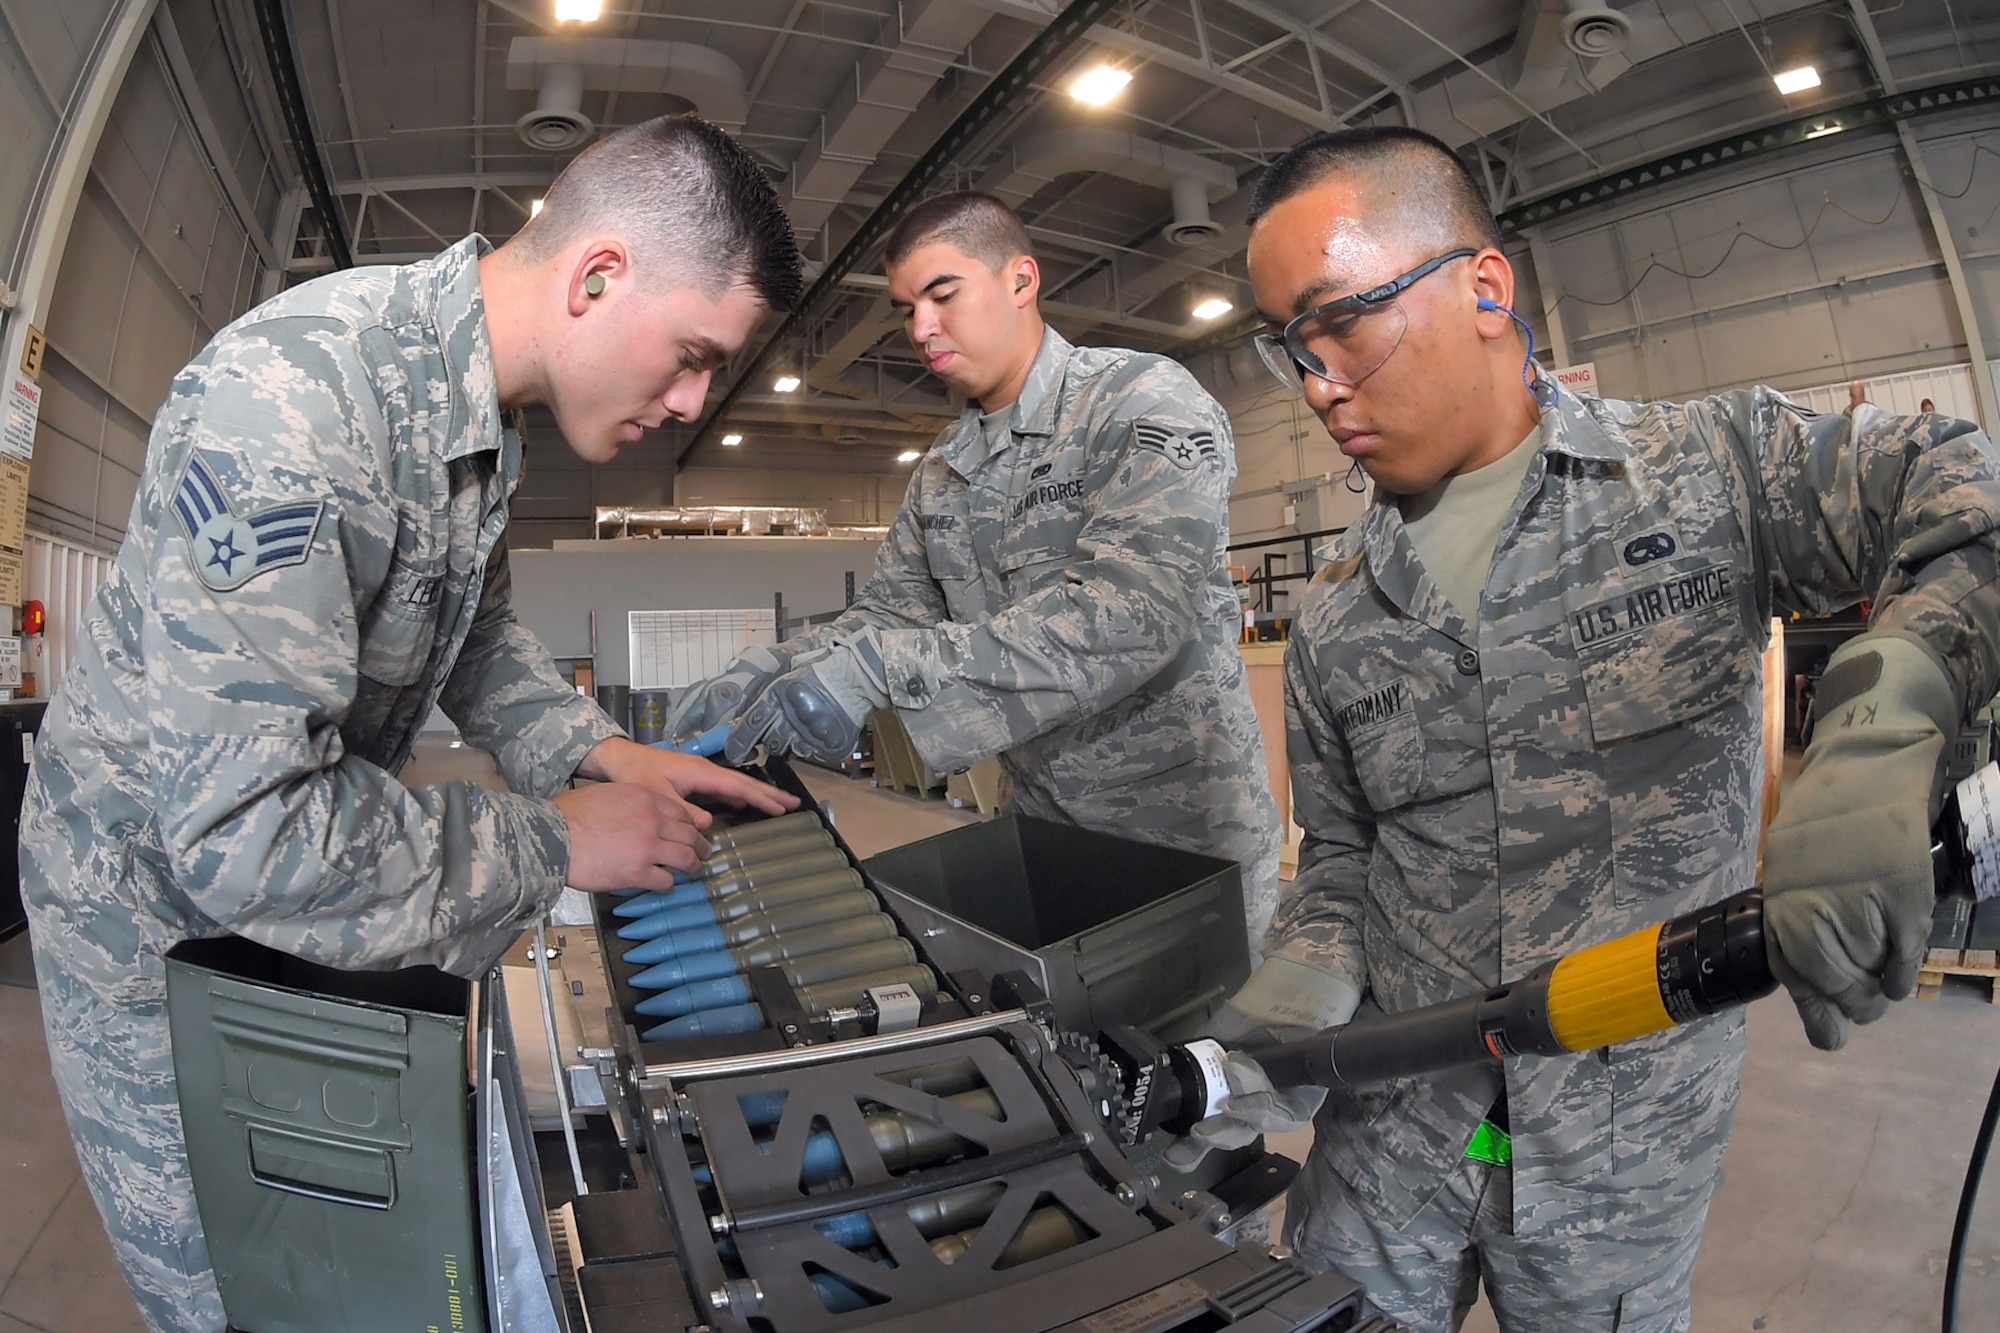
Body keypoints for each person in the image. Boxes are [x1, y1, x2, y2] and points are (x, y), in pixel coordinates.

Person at [20, 114, 804, 1333]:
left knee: (354, 1257)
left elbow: (476, 642)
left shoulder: (475, 427)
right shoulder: (297, 409)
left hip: (292, 883)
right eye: (693, 355)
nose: (694, 402)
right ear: (599, 277)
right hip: (144, 918)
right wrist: (552, 839)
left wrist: (601, 750)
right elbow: (247, 838)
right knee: (250, 1284)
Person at [1214, 126, 2000, 1331]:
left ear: (1482, 285)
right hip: (1388, 1133)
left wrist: (1885, 718)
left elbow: (1964, 496)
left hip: (1618, 1150)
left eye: (1341, 323)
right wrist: (1295, 989)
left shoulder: (1706, 476)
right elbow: (1344, 855)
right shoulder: (1331, 615)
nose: (1317, 383)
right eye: (1288, 348)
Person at [674, 190, 1284, 950]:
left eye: (942, 293)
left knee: (1205, 1062)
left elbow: (1133, 615)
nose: (920, 328)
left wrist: (874, 673)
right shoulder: (941, 474)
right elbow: (891, 616)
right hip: (1043, 833)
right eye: (905, 308)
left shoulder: (1136, 399)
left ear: (1021, 280)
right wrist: (772, 665)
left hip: (1183, 843)